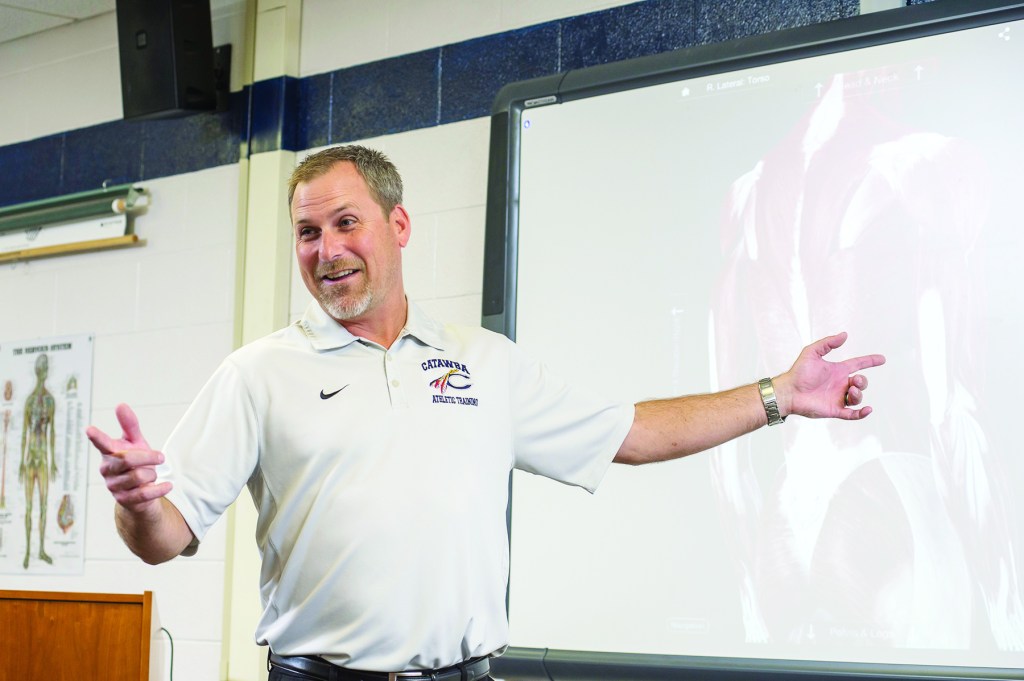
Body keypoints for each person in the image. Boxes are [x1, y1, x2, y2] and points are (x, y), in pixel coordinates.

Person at [86, 145, 884, 681]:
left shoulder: (486, 362)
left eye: (345, 222)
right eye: (306, 232)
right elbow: (165, 537)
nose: (325, 250)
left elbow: (632, 433)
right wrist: (137, 503)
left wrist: (780, 394)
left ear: (399, 225)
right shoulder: (258, 373)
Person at [21, 352, 57, 570]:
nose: (43, 371)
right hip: (30, 460)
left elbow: (51, 433)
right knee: (29, 507)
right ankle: (27, 551)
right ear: (37, 370)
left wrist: (52, 461)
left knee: (43, 506)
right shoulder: (29, 401)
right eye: (41, 368)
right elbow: (24, 433)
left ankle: (41, 549)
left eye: (45, 368)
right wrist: (20, 462)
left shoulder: (50, 401)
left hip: (42, 459)